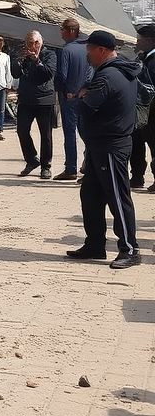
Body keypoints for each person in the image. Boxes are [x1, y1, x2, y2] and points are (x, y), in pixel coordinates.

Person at [67, 30, 141, 269]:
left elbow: (85, 107)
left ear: (101, 50)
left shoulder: (108, 76)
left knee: (117, 197)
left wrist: (79, 97)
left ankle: (130, 249)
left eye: (89, 50)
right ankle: (95, 244)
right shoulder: (116, 70)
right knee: (90, 195)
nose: (87, 54)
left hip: (110, 145)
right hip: (101, 144)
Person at [10, 30, 57, 179]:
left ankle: (46, 166)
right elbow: (15, 73)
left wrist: (37, 61)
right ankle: (31, 160)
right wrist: (20, 60)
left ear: (41, 42)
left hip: (44, 100)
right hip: (26, 100)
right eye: (30, 43)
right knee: (22, 131)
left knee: (46, 135)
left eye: (36, 42)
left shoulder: (49, 55)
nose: (33, 46)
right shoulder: (22, 54)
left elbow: (48, 74)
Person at [54, 18, 90, 180]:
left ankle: (70, 168)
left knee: (69, 133)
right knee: (86, 133)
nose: (61, 33)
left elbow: (62, 74)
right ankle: (89, 165)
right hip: (85, 96)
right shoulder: (87, 49)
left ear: (71, 31)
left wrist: (64, 91)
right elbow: (91, 72)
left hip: (69, 97)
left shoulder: (66, 50)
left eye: (63, 29)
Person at [131, 23, 155, 192]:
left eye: (140, 39)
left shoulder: (152, 61)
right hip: (141, 110)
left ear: (150, 40)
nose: (137, 42)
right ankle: (137, 176)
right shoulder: (142, 58)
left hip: (152, 111)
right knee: (136, 143)